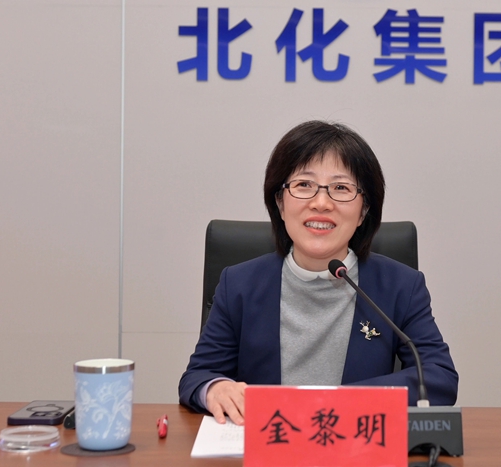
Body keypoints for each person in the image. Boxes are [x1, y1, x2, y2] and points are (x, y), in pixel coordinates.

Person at [179, 121, 458, 425]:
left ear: (364, 211)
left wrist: (332, 403)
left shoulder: (400, 286)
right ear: (280, 203)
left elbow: (438, 377)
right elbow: (198, 376)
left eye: (341, 188)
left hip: (353, 443)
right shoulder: (239, 284)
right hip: (269, 440)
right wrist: (215, 388)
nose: (321, 203)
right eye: (304, 185)